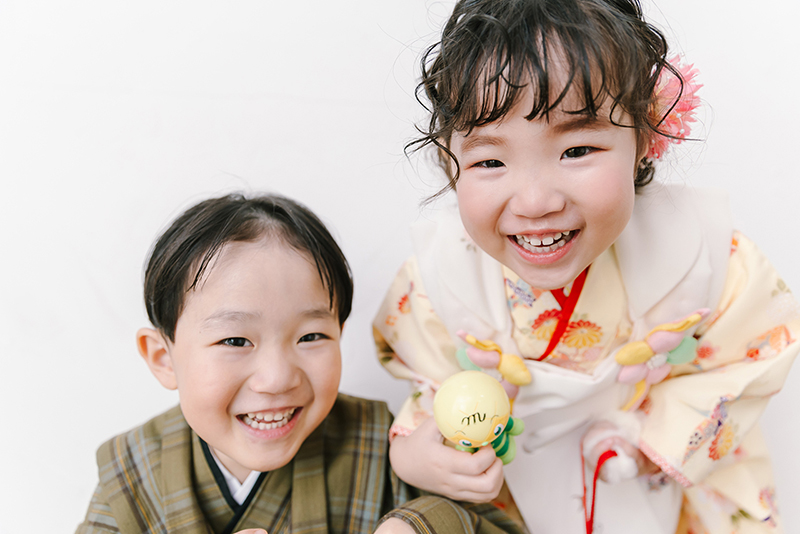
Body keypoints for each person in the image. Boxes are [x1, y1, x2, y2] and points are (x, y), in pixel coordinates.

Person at [373, 0, 800, 532]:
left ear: (645, 137)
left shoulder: (701, 253)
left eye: (576, 150)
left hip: (653, 487)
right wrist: (413, 455)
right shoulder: (440, 277)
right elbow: (429, 381)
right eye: (489, 161)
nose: (534, 201)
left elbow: (757, 349)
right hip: (513, 497)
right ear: (448, 158)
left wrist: (652, 441)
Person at [76, 193, 524, 534]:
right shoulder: (132, 475)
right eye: (235, 340)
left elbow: (496, 525)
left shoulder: (384, 442)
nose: (276, 378)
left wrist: (419, 524)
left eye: (311, 337)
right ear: (163, 357)